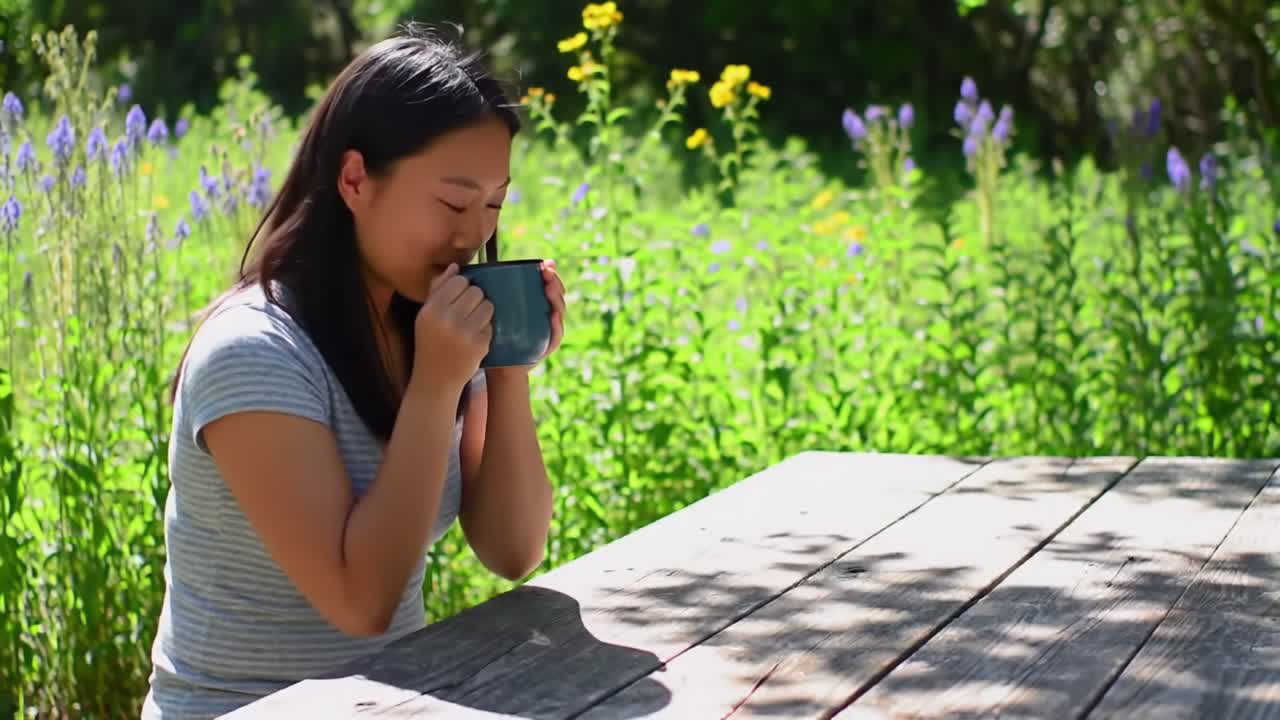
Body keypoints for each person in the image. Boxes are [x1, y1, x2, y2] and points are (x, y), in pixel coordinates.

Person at [141, 24, 565, 719]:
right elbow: (359, 602)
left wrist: (508, 360)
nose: (473, 235)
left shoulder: (426, 321)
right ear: (354, 179)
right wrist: (434, 387)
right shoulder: (254, 351)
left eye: (493, 204)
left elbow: (512, 548)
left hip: (389, 705)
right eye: (455, 203)